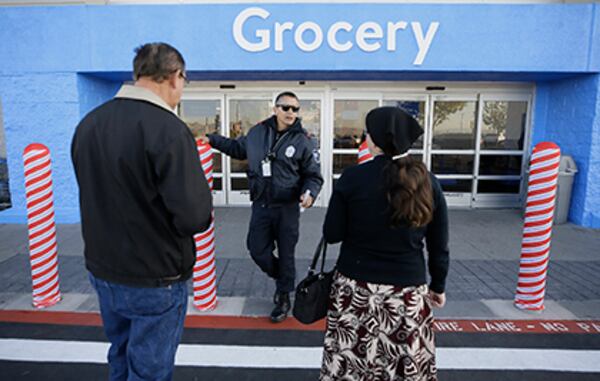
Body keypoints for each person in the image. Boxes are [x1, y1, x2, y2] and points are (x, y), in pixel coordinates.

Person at [71, 42, 212, 381]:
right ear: (175, 76)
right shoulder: (169, 130)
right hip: (155, 276)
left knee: (119, 353)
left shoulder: (89, 124)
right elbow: (194, 216)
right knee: (149, 369)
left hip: (103, 270)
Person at [320, 106, 449, 380]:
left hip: (355, 289)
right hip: (408, 293)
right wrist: (438, 286)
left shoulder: (352, 178)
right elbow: (439, 245)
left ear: (374, 140)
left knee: (351, 363)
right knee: (402, 365)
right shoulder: (428, 182)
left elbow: (332, 234)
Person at [200, 91, 323, 323]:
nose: (290, 113)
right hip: (261, 204)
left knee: (287, 254)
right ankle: (284, 279)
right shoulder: (257, 132)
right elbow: (237, 148)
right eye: (286, 107)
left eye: (295, 109)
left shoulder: (304, 140)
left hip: (287, 207)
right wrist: (213, 139)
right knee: (257, 249)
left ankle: (284, 297)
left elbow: (313, 175)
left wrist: (310, 193)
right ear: (275, 108)